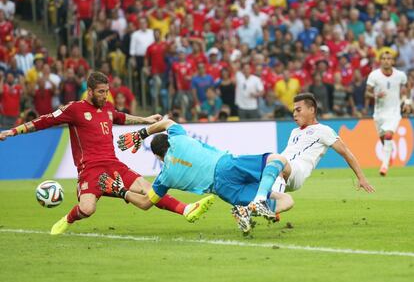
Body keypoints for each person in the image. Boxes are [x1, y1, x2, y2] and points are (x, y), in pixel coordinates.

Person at [106, 93, 375, 233]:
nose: (294, 114)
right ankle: (251, 210)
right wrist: (141, 131)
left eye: (298, 110)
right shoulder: (179, 138)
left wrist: (120, 191)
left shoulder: (165, 177)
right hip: (231, 167)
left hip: (242, 182)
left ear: (312, 110)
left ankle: (252, 205)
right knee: (285, 200)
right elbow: (166, 121)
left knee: (277, 159)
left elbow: (145, 203)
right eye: (293, 110)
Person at [0, 72, 214, 235]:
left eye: (107, 91)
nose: (105, 95)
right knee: (88, 208)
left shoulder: (108, 109)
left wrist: (146, 120)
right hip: (89, 170)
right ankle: (69, 218)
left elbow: (121, 117)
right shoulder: (74, 109)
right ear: (90, 91)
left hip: (113, 165)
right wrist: (14, 131)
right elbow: (43, 121)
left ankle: (186, 209)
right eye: (101, 92)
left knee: (147, 189)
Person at [365, 51, 411, 176]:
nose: (386, 61)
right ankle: (389, 153)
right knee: (383, 138)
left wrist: (407, 102)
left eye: (389, 58)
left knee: (388, 135)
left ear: (393, 61)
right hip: (379, 113)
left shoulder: (400, 75)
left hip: (394, 112)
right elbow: (367, 93)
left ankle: (384, 166)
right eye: (384, 58)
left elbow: (407, 86)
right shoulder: (374, 75)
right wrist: (375, 95)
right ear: (380, 61)